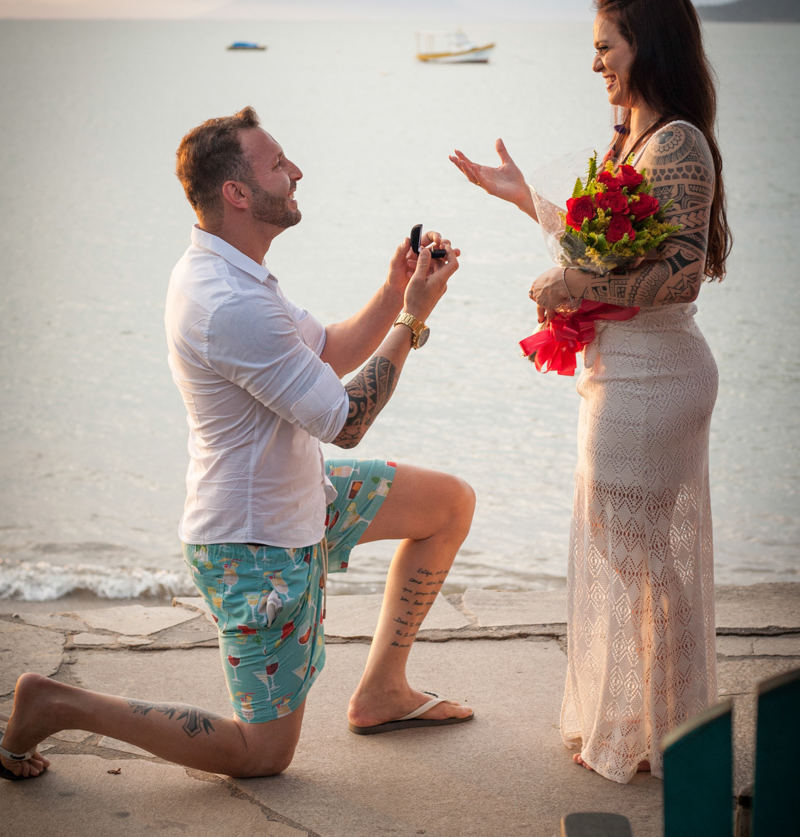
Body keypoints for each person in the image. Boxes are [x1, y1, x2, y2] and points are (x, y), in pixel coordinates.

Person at [0, 106, 475, 782]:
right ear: (238, 193)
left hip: (303, 498)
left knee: (448, 504)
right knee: (262, 755)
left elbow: (331, 350)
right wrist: (413, 319)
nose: (296, 171)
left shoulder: (236, 275)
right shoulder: (229, 303)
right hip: (255, 545)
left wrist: (395, 288)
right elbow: (346, 421)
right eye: (278, 163)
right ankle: (56, 703)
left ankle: (382, 691)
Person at [450, 0, 730, 783]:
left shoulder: (677, 143)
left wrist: (575, 289)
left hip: (655, 375)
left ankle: (673, 736)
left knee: (642, 559)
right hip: (624, 372)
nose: (597, 61)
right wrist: (524, 200)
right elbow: (602, 247)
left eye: (606, 44)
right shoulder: (632, 139)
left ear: (648, 46)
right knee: (630, 553)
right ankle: (654, 718)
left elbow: (677, 277)